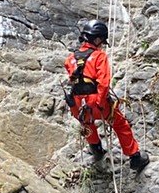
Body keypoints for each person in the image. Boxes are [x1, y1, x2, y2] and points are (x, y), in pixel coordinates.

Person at [64, 19, 149, 173]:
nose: (102, 44)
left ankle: (96, 149)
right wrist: (100, 103)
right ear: (97, 39)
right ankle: (135, 157)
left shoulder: (70, 59)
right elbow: (103, 83)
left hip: (78, 103)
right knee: (120, 124)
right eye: (102, 41)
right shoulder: (99, 56)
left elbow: (73, 79)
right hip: (96, 101)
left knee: (87, 124)